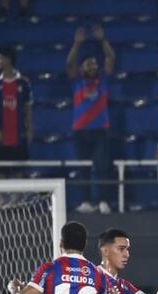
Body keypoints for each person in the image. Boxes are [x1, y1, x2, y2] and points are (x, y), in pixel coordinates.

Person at [66, 25, 116, 215]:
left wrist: (102, 40)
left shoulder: (103, 81)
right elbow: (69, 64)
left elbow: (111, 58)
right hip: (80, 130)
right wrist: (77, 44)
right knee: (83, 168)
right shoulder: (76, 82)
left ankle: (103, 201)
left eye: (94, 64)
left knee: (102, 166)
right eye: (88, 64)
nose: (92, 66)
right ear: (82, 68)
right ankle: (86, 201)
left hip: (100, 130)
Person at [0, 47, 33, 174]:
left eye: (0, 58)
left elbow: (28, 107)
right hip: (1, 136)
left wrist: (29, 129)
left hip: (19, 135)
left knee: (19, 174)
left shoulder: (24, 82)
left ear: (8, 59)